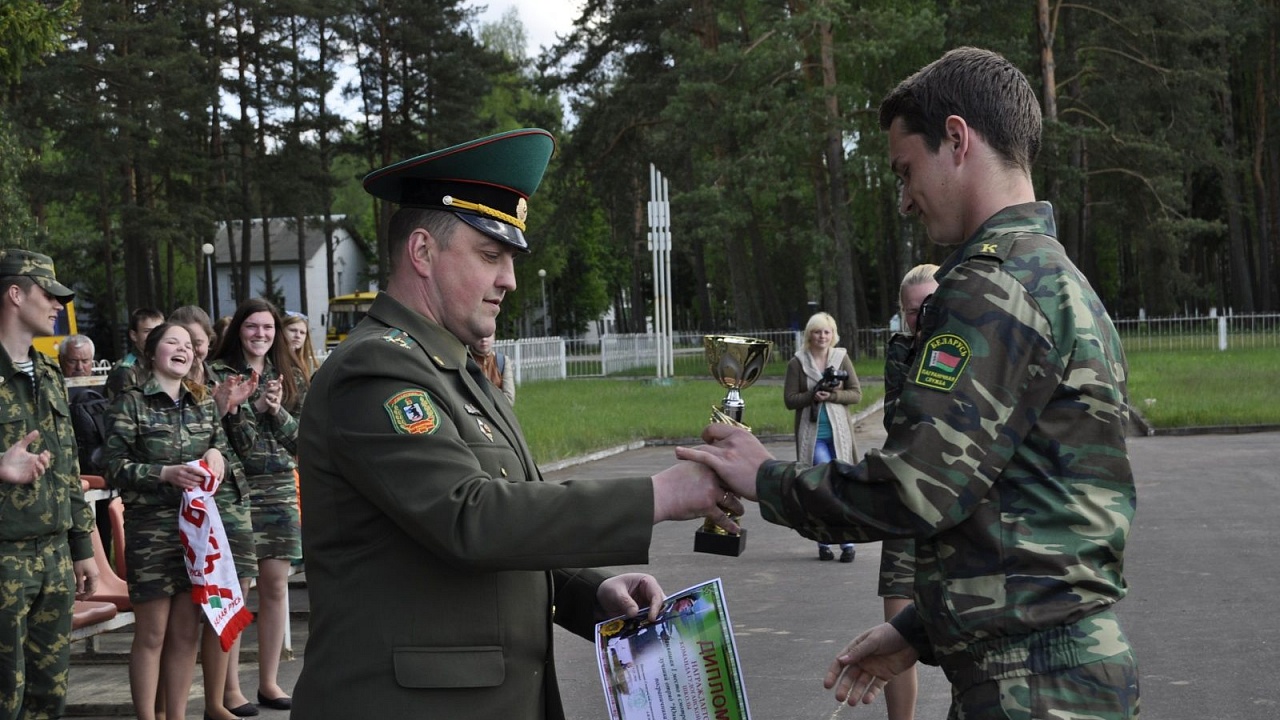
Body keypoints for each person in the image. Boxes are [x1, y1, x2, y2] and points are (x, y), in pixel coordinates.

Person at [678, 47, 1139, 718]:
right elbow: (1040, 514)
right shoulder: (1065, 285)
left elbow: (918, 489)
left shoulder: (987, 288)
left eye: (905, 170)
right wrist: (917, 632)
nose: (902, 199)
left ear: (956, 140)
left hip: (1027, 689)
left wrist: (767, 478)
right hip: (1063, 672)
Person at [290, 128, 740, 720]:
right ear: (422, 253)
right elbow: (469, 517)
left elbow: (516, 513)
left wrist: (588, 593)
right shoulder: (376, 369)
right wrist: (657, 495)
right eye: (490, 255)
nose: (510, 279)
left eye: (509, 258)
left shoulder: (456, 368)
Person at [104, 322, 247, 720]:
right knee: (152, 633)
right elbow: (113, 466)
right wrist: (163, 474)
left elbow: (221, 448)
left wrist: (218, 454)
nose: (183, 349)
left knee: (186, 631)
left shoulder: (201, 402)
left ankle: (178, 716)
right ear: (152, 352)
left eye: (189, 344)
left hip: (196, 532)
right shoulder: (130, 402)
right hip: (150, 530)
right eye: (173, 342)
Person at [0, 249, 99, 719]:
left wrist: (81, 545)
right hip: (5, 558)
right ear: (15, 294)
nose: (58, 305)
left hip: (54, 557)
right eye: (49, 294)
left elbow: (67, 465)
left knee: (48, 697)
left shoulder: (49, 373)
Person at [210, 298, 308, 712]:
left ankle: (269, 683)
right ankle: (230, 688)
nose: (261, 335)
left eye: (268, 328)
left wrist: (275, 411)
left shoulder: (291, 375)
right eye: (253, 327)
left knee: (274, 584)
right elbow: (219, 436)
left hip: (280, 489)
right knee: (238, 588)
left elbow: (303, 441)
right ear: (239, 331)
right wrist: (237, 405)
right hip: (235, 490)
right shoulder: (217, 374)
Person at [169, 304, 261, 720]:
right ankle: (191, 703)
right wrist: (218, 412)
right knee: (195, 610)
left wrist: (236, 409)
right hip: (194, 511)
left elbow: (244, 446)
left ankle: (222, 698)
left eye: (200, 340)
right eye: (186, 341)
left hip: (232, 501)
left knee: (232, 595)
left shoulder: (223, 378)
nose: (195, 349)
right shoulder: (169, 387)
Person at [876, 264, 938, 720]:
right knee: (897, 627)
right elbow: (899, 419)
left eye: (930, 307)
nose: (920, 318)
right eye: (913, 311)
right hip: (904, 498)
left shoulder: (974, 346)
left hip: (962, 505)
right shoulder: (901, 351)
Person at [784, 311, 861, 562]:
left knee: (841, 487)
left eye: (826, 332)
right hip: (813, 436)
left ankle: (847, 543)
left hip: (840, 435)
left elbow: (856, 393)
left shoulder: (841, 358)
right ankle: (825, 540)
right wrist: (812, 396)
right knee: (823, 485)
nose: (822, 336)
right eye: (817, 332)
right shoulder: (797, 362)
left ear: (833, 334)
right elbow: (790, 400)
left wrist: (834, 396)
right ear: (809, 335)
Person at [106, 307, 165, 398]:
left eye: (158, 331)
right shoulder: (125, 370)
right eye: (147, 331)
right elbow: (121, 409)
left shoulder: (166, 363)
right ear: (134, 335)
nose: (154, 336)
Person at [469, 332, 515, 404]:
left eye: (488, 335)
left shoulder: (503, 361)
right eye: (479, 335)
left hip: (498, 413)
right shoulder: (465, 361)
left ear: (494, 337)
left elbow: (509, 398)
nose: (484, 339)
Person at [281, 311, 320, 378]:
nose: (298, 336)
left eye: (302, 332)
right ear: (281, 331)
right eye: (292, 330)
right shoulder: (273, 361)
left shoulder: (307, 364)